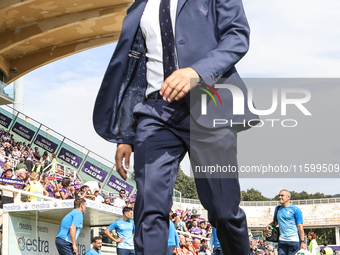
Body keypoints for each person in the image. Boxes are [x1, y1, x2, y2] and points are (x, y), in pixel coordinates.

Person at [93, 0, 259, 253]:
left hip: (209, 104)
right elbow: (134, 71)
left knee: (223, 212)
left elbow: (237, 37)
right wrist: (125, 135)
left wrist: (197, 72)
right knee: (149, 206)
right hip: (156, 112)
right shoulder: (140, 6)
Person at [266, 190, 306, 255]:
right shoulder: (278, 209)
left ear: (288, 197)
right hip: (282, 240)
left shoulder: (295, 209)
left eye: (282, 195)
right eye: (279, 195)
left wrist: (302, 242)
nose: (280, 197)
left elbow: (300, 227)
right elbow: (275, 222)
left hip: (294, 241)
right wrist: (269, 225)